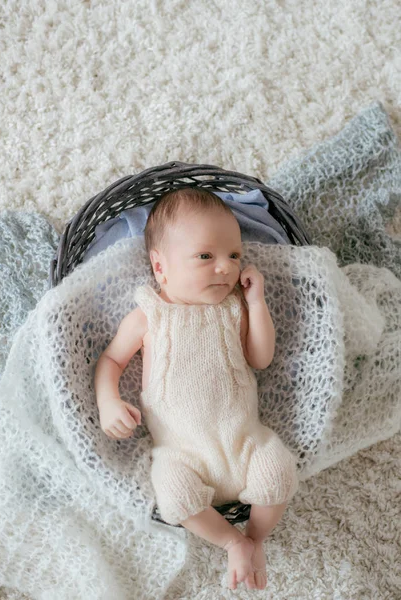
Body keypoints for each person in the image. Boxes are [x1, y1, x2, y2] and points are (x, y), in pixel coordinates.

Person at [94, 187, 299, 591]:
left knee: (280, 473)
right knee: (174, 497)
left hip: (246, 442)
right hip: (182, 453)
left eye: (235, 255)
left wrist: (256, 304)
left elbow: (260, 358)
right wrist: (108, 401)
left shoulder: (234, 308)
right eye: (206, 256)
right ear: (160, 267)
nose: (225, 267)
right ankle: (230, 540)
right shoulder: (148, 316)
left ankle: (253, 539)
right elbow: (110, 361)